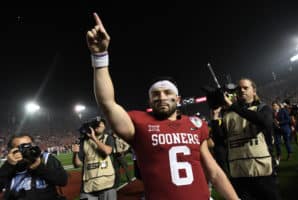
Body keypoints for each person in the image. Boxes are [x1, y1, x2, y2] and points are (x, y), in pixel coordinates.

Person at [85, 12, 239, 200]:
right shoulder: (138, 123)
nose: (161, 97)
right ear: (150, 101)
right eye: (155, 94)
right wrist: (100, 56)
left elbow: (213, 172)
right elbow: (107, 103)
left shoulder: (196, 125)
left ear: (179, 99)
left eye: (167, 93)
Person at [211, 78, 281, 200]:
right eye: (239, 89)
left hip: (262, 173)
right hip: (239, 176)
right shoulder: (228, 114)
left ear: (254, 91)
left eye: (245, 87)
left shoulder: (263, 108)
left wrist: (233, 106)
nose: (241, 90)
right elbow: (219, 140)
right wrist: (215, 118)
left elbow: (264, 121)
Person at [0, 133, 68, 200]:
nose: (27, 150)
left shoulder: (46, 158)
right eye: (22, 147)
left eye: (29, 146)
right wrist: (8, 166)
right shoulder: (9, 165)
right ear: (11, 151)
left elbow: (63, 180)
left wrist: (39, 167)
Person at [72, 117, 118, 200]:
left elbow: (107, 151)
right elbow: (77, 164)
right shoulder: (84, 141)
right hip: (89, 186)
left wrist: (94, 138)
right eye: (98, 125)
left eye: (102, 125)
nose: (101, 126)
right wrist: (75, 153)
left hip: (107, 184)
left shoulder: (108, 138)